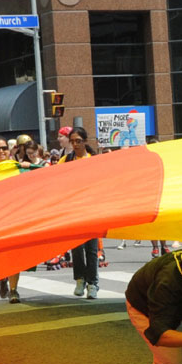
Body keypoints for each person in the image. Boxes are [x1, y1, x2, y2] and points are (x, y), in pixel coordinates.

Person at [63, 127, 102, 298]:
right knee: (77, 248)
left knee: (91, 249)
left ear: (85, 141)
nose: (75, 144)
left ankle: (93, 283)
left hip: (91, 209)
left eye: (78, 141)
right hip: (73, 210)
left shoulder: (94, 160)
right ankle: (80, 279)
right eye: (72, 141)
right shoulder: (66, 160)